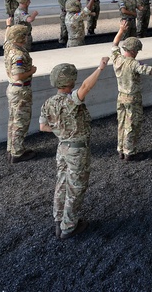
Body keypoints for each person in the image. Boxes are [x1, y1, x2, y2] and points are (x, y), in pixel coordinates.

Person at [39, 57, 108, 239]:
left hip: (62, 148)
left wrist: (61, 131)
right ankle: (69, 226)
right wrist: (100, 68)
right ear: (70, 80)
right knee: (76, 187)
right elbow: (86, 87)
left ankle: (58, 219)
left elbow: (43, 127)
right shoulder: (70, 101)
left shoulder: (48, 103)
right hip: (77, 150)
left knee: (61, 183)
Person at [110, 21, 152, 161]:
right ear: (133, 50)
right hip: (133, 98)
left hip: (121, 96)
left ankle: (120, 149)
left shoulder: (117, 59)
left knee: (121, 123)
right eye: (137, 51)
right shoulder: (133, 63)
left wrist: (121, 30)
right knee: (132, 124)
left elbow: (114, 44)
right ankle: (130, 152)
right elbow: (149, 71)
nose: (137, 53)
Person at [4, 24, 37, 163]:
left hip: (13, 89)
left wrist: (8, 26)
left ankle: (12, 149)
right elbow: (18, 76)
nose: (27, 37)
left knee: (13, 121)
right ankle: (17, 153)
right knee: (20, 122)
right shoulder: (19, 55)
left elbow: (6, 39)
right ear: (20, 37)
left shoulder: (9, 47)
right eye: (24, 35)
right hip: (20, 90)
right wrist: (32, 71)